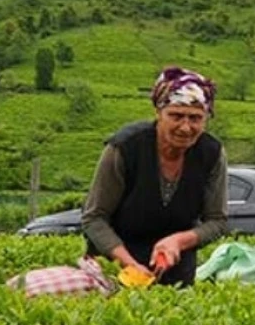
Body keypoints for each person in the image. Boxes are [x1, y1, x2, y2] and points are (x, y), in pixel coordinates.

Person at [82, 66, 229, 287]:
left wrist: (179, 241)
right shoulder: (125, 148)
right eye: (176, 116)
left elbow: (217, 221)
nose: (186, 127)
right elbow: (94, 218)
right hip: (115, 265)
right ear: (159, 113)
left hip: (176, 271)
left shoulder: (211, 153)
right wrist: (128, 264)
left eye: (195, 118)